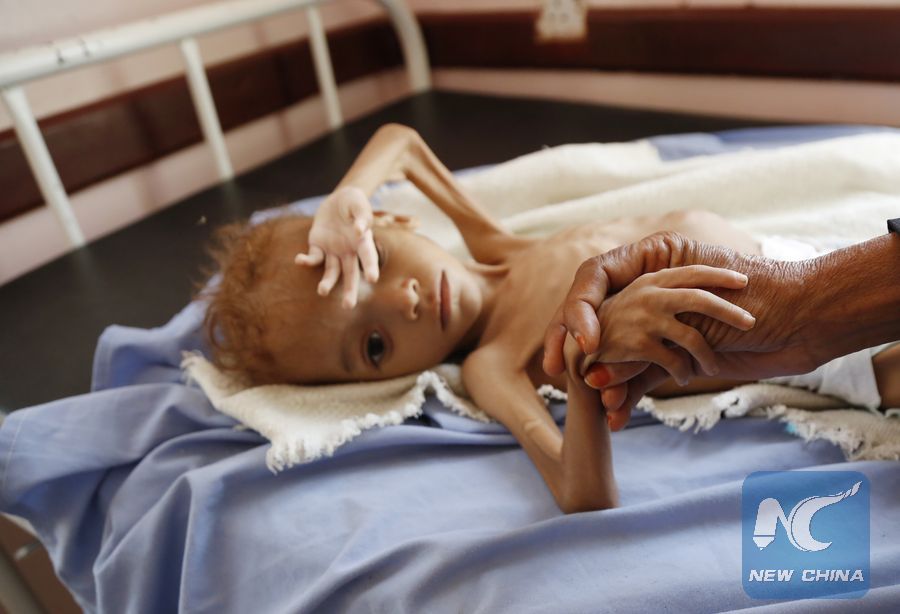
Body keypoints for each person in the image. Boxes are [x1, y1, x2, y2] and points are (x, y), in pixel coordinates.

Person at [201, 123, 863, 513]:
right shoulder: (492, 366)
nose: (404, 304)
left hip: (801, 262)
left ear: (391, 219)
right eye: (375, 345)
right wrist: (584, 365)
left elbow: (401, 144)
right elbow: (582, 493)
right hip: (812, 350)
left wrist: (348, 193)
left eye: (374, 264)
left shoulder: (501, 247)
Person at [542, 226, 900, 428]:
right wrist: (801, 303)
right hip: (832, 296)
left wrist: (800, 299)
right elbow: (583, 492)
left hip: (818, 276)